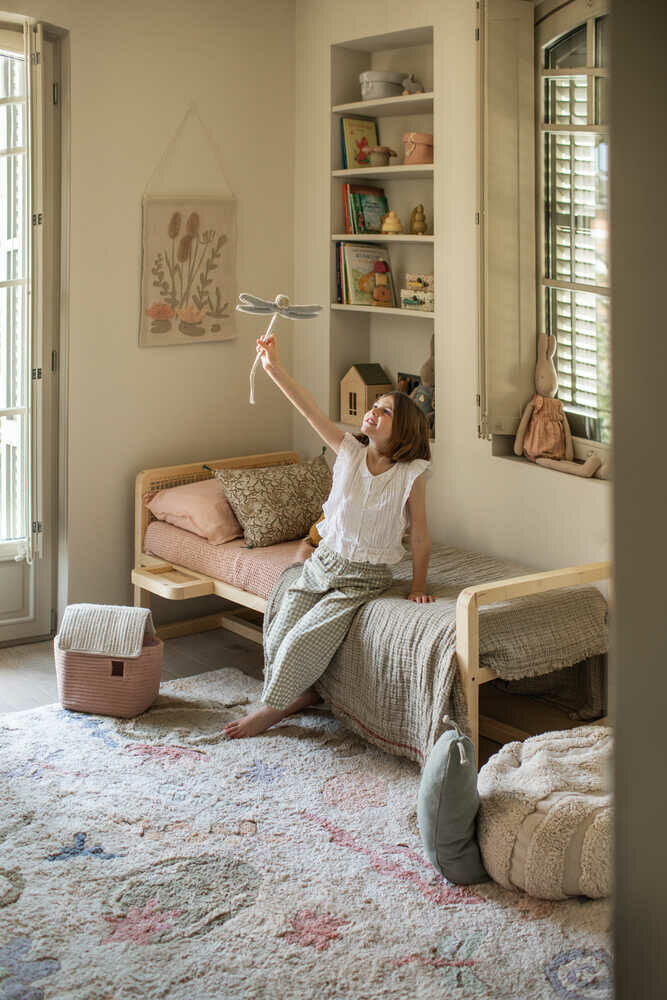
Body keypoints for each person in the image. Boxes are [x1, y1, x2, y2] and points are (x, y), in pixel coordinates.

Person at [224, 332, 433, 739]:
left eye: (385, 411)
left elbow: (421, 537)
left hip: (362, 580)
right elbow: (309, 409)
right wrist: (274, 369)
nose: (372, 412)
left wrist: (419, 586)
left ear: (403, 430)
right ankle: (299, 695)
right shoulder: (350, 451)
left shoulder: (410, 475)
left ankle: (270, 711)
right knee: (280, 628)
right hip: (323, 565)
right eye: (374, 406)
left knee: (303, 640)